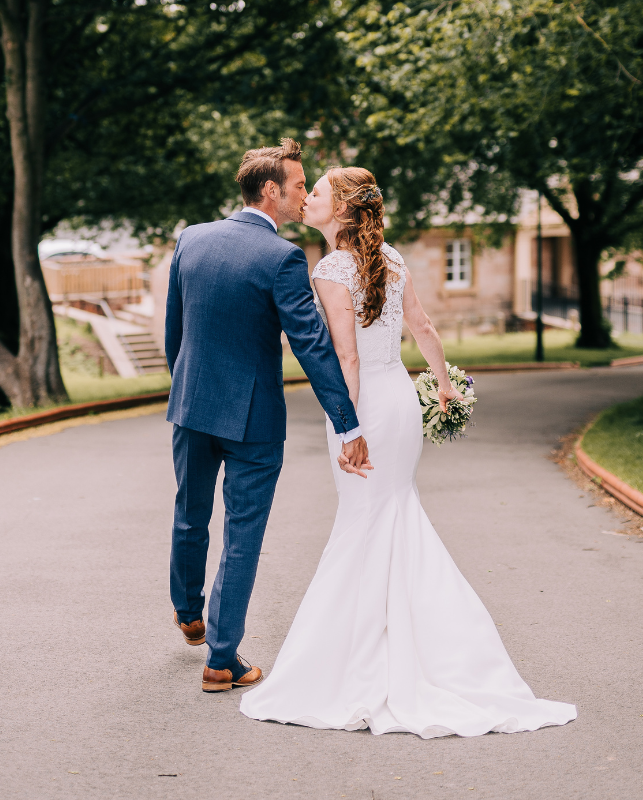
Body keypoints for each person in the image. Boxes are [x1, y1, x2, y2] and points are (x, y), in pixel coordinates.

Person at [239, 166, 578, 737]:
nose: (308, 199)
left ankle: (358, 667)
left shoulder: (329, 269)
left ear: (342, 209)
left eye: (317, 193)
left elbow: (345, 359)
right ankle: (423, 651)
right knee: (393, 517)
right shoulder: (390, 258)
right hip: (399, 400)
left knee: (364, 523)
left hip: (365, 405)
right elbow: (421, 326)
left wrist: (348, 429)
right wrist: (443, 384)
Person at [164, 140, 371, 693]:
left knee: (190, 512)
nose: (306, 194)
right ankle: (221, 658)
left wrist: (186, 386)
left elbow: (174, 333)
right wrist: (347, 422)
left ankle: (188, 612)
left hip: (191, 404)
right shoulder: (281, 258)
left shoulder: (191, 240)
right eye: (301, 185)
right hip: (253, 420)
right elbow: (313, 346)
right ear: (272, 190)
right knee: (242, 534)